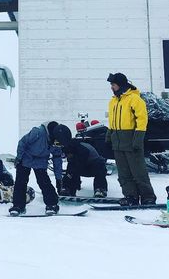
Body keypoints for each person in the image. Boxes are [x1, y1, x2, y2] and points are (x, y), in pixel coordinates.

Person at [106, 72, 156, 206]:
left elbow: (142, 119)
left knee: (138, 171)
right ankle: (130, 196)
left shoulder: (135, 99)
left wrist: (138, 138)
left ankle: (148, 196)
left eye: (113, 84)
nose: (111, 87)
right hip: (118, 141)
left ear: (121, 84)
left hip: (131, 140)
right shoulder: (113, 101)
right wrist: (109, 134)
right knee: (123, 173)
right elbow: (112, 120)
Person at [9, 121, 62, 216]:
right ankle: (18, 206)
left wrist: (59, 178)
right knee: (21, 182)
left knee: (44, 182)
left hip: (41, 160)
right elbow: (23, 142)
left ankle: (52, 204)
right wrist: (19, 158)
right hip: (26, 157)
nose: (57, 144)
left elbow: (57, 159)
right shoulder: (38, 132)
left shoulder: (57, 141)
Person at [52, 124, 108, 197]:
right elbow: (72, 169)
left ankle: (100, 189)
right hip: (83, 165)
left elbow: (77, 166)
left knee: (99, 166)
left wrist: (72, 173)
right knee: (71, 170)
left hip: (93, 165)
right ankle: (68, 189)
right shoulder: (68, 147)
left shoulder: (79, 148)